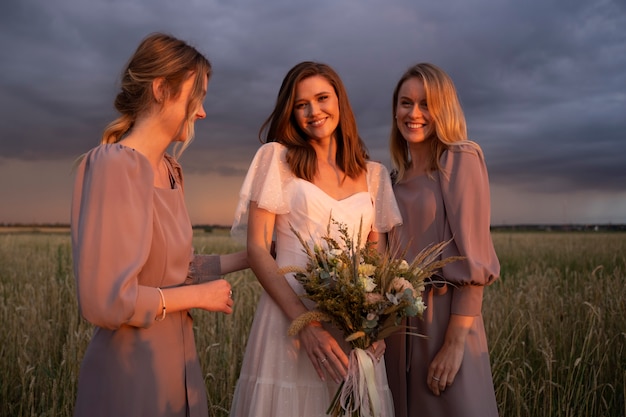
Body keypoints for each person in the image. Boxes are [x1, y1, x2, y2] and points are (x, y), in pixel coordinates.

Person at [70, 33, 248, 417]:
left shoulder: (171, 170)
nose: (202, 112)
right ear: (162, 89)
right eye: (196, 96)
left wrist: (250, 257)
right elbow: (106, 300)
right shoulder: (114, 165)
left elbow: (174, 271)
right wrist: (199, 297)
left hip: (180, 367)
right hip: (131, 376)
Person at [229, 61, 402, 417]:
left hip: (351, 329)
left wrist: (373, 324)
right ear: (290, 113)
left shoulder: (374, 176)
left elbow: (377, 263)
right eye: (300, 104)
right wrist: (306, 324)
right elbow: (258, 249)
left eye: (322, 98)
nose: (313, 111)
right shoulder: (277, 160)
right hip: (288, 319)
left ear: (339, 100)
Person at [384, 62, 500, 417]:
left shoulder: (460, 160)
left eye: (426, 104)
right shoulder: (390, 180)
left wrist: (453, 343)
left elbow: (474, 260)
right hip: (397, 327)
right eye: (406, 103)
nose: (414, 113)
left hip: (446, 321)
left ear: (444, 109)